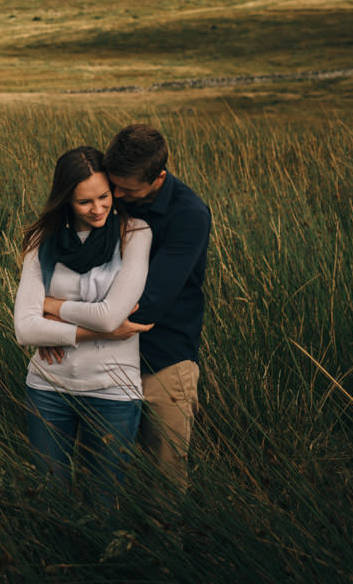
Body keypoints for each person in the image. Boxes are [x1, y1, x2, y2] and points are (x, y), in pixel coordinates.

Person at [13, 145, 153, 514]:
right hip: (47, 388)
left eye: (104, 197)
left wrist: (53, 310)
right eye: (84, 202)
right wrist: (95, 331)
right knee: (49, 500)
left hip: (113, 391)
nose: (98, 209)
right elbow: (25, 329)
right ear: (65, 201)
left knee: (103, 504)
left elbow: (110, 315)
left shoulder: (134, 233)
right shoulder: (40, 242)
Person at [101, 123, 211, 495]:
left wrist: (69, 325)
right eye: (113, 184)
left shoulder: (190, 214)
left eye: (127, 190)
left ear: (158, 177)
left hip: (163, 359)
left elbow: (151, 302)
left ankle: (163, 550)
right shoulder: (109, 192)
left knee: (164, 479)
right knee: (101, 469)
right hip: (103, 355)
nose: (115, 195)